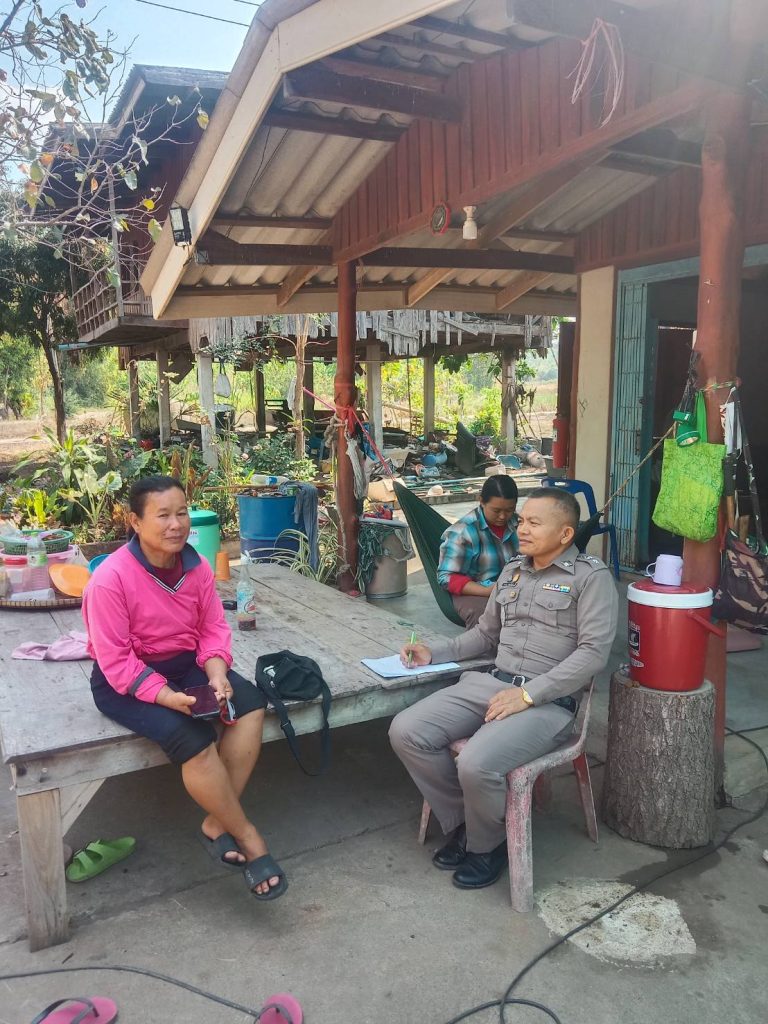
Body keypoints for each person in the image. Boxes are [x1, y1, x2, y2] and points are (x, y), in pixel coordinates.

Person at [389, 488, 618, 891]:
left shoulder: (590, 578)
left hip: (547, 702)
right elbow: (484, 636)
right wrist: (433, 653)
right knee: (407, 731)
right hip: (492, 683)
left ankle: (487, 846)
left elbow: (593, 654)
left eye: (533, 523)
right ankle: (466, 823)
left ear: (565, 534)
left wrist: (528, 695)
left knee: (476, 763)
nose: (521, 529)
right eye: (521, 520)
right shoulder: (512, 571)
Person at [82, 475, 286, 900]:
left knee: (249, 704)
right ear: (135, 522)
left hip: (185, 664)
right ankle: (247, 834)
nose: (176, 524)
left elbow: (211, 629)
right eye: (163, 515)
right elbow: (116, 661)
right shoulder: (110, 579)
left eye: (181, 513)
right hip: (124, 680)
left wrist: (216, 673)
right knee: (193, 738)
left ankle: (215, 823)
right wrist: (165, 696)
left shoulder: (196, 567)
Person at [438, 475, 518, 628]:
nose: (503, 516)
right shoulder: (462, 532)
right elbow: (446, 577)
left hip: (511, 587)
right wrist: (487, 591)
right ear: (481, 501)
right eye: (496, 510)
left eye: (509, 510)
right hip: (475, 589)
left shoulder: (519, 524)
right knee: (483, 615)